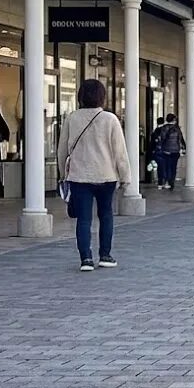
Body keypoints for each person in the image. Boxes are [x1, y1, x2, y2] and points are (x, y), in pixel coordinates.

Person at [57, 78, 130, 272]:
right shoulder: (110, 119)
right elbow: (120, 152)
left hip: (79, 176)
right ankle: (105, 255)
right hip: (106, 175)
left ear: (80, 96)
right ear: (102, 97)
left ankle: (86, 259)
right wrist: (125, 177)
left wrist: (63, 174)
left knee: (84, 218)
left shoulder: (72, 118)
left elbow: (62, 150)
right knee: (106, 215)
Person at [158, 113, 185, 190]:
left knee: (167, 166)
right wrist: (183, 147)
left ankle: (167, 181)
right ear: (174, 120)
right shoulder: (177, 129)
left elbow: (162, 138)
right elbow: (180, 139)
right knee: (173, 167)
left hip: (166, 150)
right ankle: (171, 182)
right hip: (176, 150)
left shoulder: (164, 128)